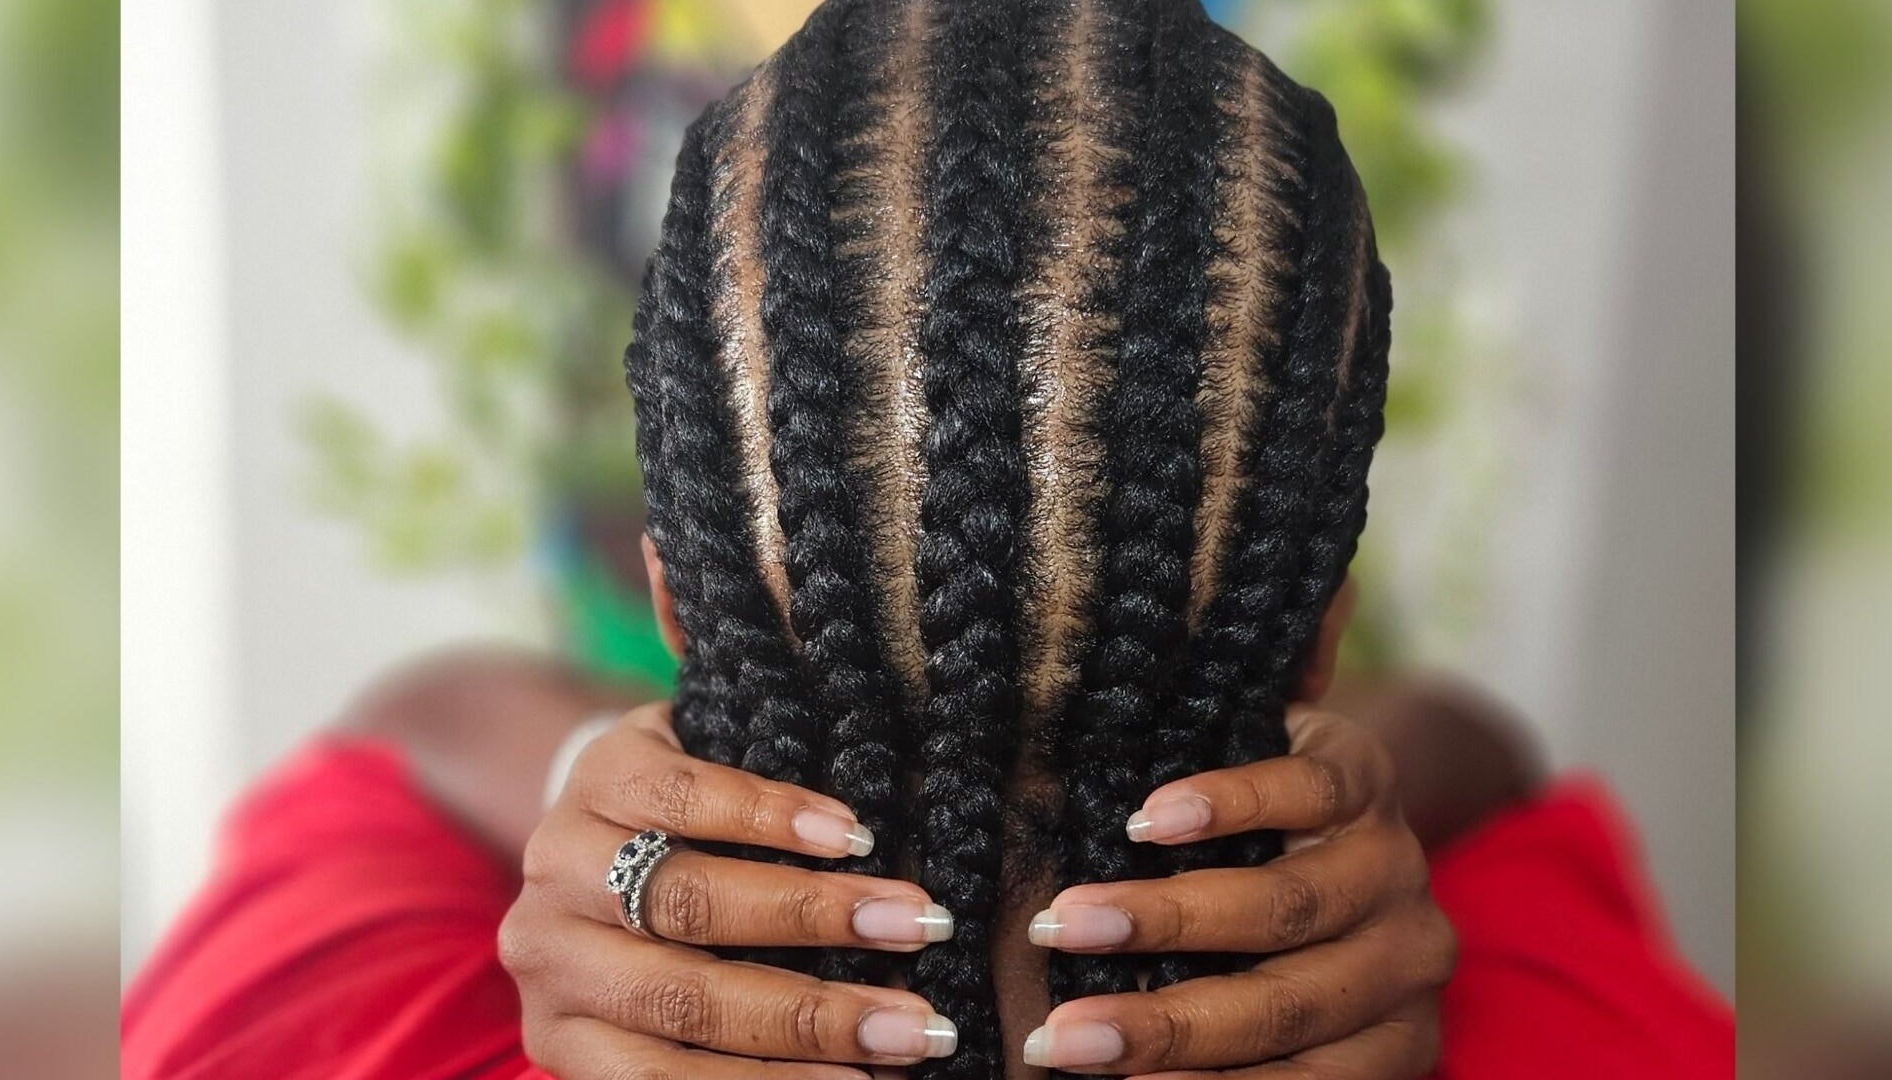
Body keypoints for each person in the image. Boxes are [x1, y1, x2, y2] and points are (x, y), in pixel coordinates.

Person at [123, 1, 1733, 1078]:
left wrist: (571, 789)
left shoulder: (333, 1008)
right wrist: (1408, 752)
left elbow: (406, 731)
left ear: (676, 602)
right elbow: (1492, 757)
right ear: (1321, 630)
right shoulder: (1518, 989)